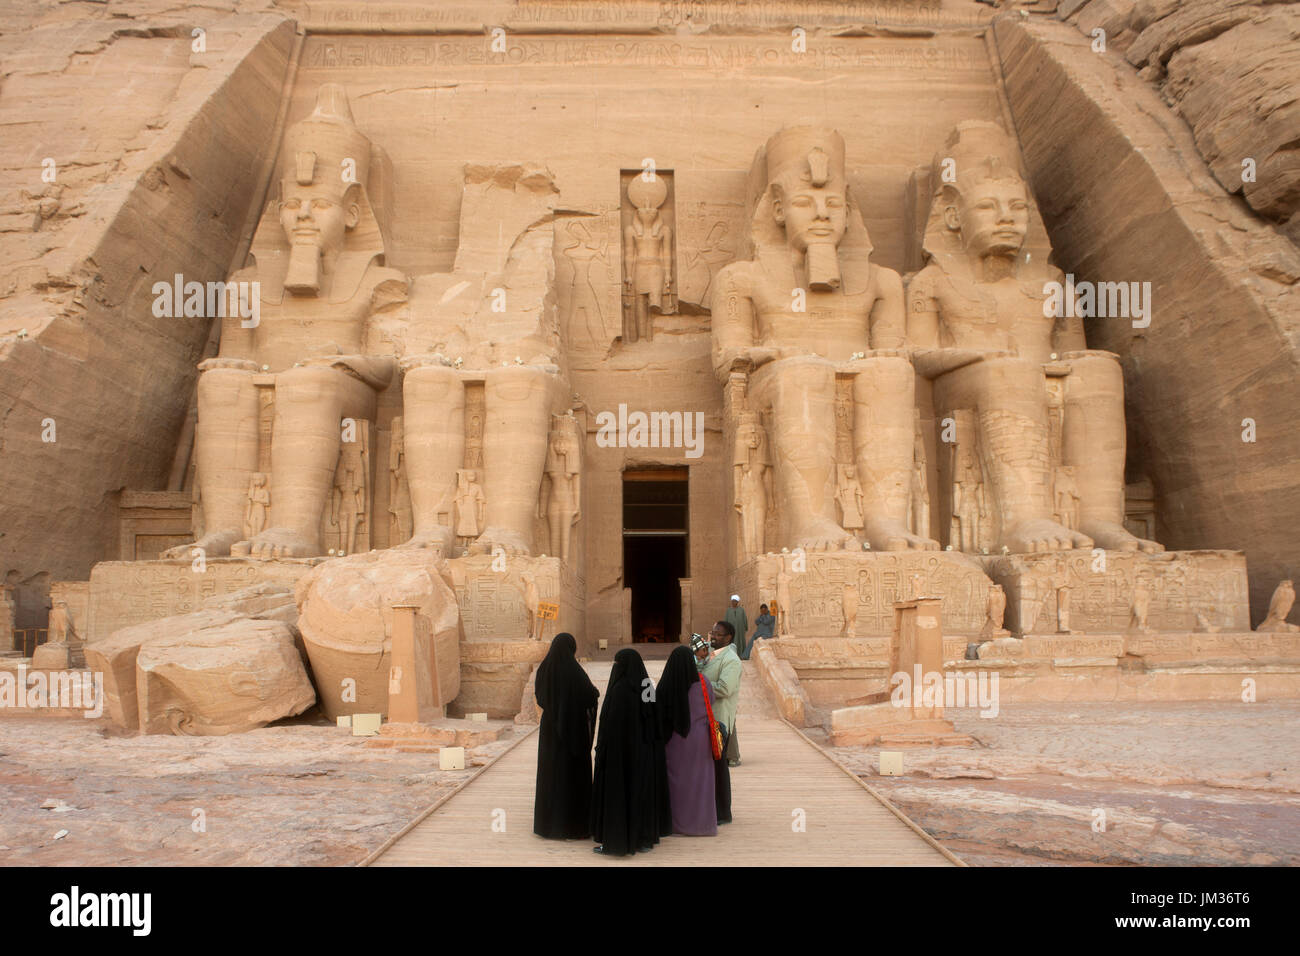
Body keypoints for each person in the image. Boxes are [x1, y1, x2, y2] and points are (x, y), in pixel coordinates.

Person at [590, 648, 661, 855]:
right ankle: (643, 838)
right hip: (644, 753)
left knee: (620, 796)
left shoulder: (618, 690)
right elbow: (654, 716)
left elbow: (609, 726)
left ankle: (618, 841)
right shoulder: (647, 685)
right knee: (641, 793)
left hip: (620, 756)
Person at [533, 632, 599, 840]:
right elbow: (591, 694)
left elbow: (541, 697)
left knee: (551, 775)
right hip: (574, 732)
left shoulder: (545, 670)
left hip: (550, 731)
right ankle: (573, 825)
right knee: (571, 777)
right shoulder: (574, 672)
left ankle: (548, 824)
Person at [656, 645, 717, 836]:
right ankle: (702, 826)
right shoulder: (704, 682)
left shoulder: (668, 684)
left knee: (676, 783)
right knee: (700, 783)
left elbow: (659, 709)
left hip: (676, 739)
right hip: (701, 740)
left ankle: (676, 824)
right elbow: (712, 701)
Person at [725, 595, 749, 660]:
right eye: (732, 601)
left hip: (740, 629)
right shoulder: (728, 610)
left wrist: (745, 627)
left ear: (737, 602)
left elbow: (745, 619)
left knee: (740, 641)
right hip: (731, 630)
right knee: (732, 642)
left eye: (735, 601)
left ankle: (741, 655)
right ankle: (732, 656)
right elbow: (726, 620)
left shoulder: (741, 610)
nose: (733, 602)